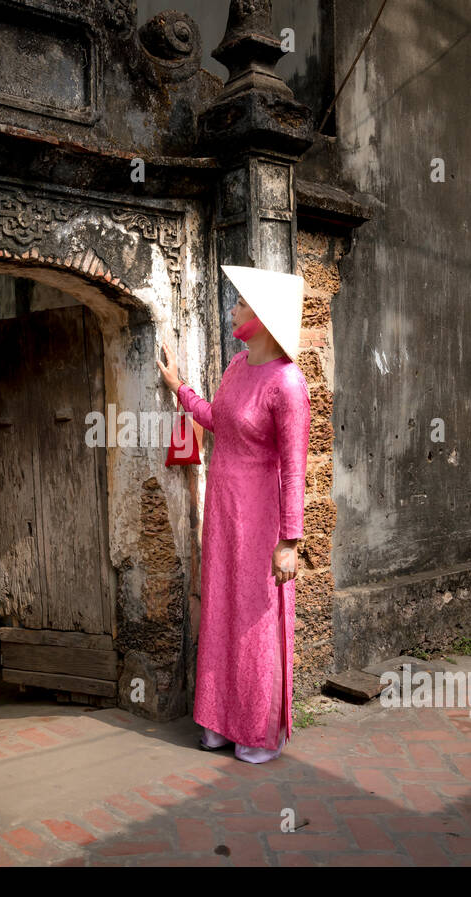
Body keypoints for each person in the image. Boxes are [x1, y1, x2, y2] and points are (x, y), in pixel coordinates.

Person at [156, 265, 310, 763]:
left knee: (255, 618)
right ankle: (220, 720)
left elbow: (296, 466)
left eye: (241, 303)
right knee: (222, 608)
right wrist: (179, 387)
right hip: (223, 511)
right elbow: (215, 421)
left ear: (262, 317)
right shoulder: (237, 369)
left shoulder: (288, 384)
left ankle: (255, 727)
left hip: (262, 518)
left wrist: (290, 541)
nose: (233, 309)